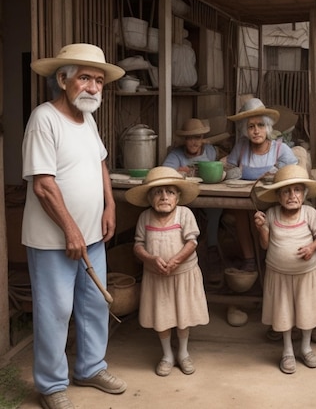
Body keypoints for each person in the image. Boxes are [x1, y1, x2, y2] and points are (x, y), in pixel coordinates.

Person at [22, 43, 127, 409]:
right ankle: (51, 386)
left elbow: (100, 162)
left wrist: (110, 204)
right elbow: (43, 185)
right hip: (54, 240)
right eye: (85, 78)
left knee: (94, 303)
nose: (93, 87)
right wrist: (70, 229)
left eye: (99, 80)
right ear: (63, 80)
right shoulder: (44, 118)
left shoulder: (88, 118)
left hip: (92, 235)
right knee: (56, 310)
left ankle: (90, 367)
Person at [125, 166, 210, 377]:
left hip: (183, 275)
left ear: (178, 197)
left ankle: (182, 353)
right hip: (156, 277)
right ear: (150, 197)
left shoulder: (185, 214)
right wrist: (150, 259)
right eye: (158, 192)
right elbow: (138, 245)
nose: (164, 197)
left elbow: (192, 241)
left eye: (170, 192)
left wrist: (176, 260)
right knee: (162, 316)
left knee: (182, 315)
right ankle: (166, 355)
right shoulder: (145, 217)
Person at [223, 98, 298, 327]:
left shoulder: (280, 149)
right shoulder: (241, 148)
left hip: (274, 206)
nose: (256, 131)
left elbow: (295, 173)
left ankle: (271, 265)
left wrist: (277, 173)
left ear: (268, 127)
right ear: (245, 130)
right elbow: (229, 169)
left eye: (260, 125)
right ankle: (250, 262)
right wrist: (233, 172)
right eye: (251, 126)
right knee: (240, 213)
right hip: (247, 204)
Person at [253, 165, 316, 374]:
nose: (292, 196)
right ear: (278, 196)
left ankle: (305, 347)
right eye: (286, 191)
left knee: (306, 311)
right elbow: (265, 245)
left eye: (297, 190)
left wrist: (312, 248)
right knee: (284, 312)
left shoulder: (310, 213)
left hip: (306, 274)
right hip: (279, 275)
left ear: (304, 194)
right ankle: (287, 350)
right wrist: (262, 228)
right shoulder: (271, 214)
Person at [162, 118, 224, 288]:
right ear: (184, 140)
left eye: (197, 138)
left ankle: (211, 249)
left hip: (207, 196)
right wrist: (178, 171)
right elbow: (164, 172)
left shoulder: (211, 151)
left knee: (215, 210)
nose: (194, 142)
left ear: (203, 138)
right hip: (185, 200)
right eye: (190, 138)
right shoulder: (176, 154)